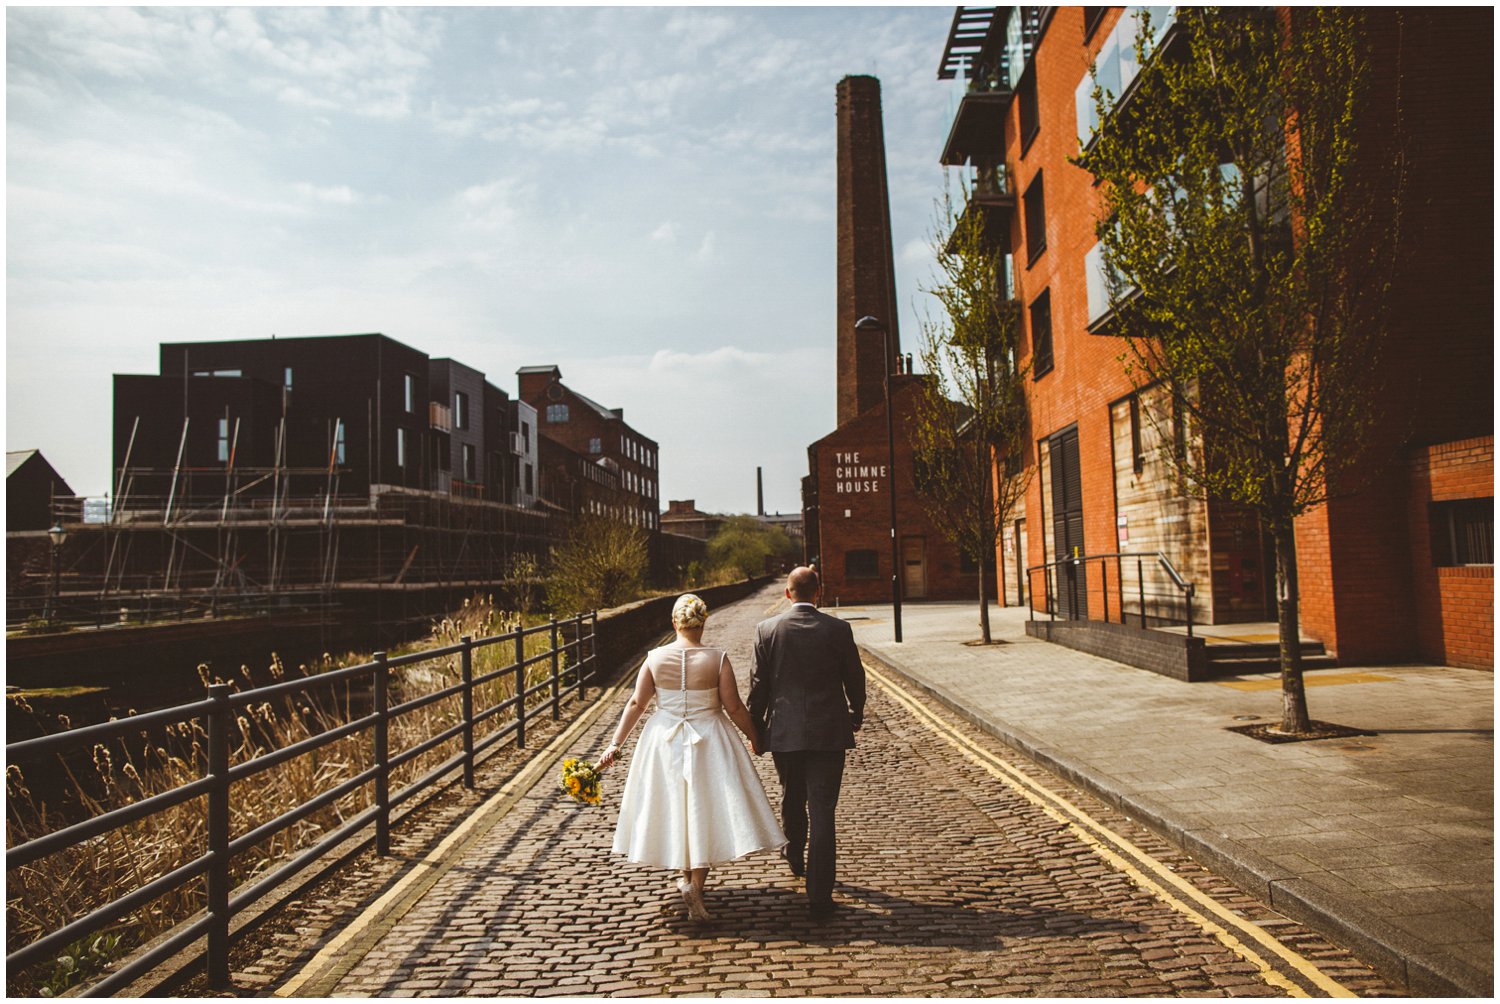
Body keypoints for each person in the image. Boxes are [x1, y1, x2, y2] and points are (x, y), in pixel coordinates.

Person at [598, 593, 785, 922]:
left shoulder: (655, 658)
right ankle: (694, 885)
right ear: (704, 621)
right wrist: (755, 736)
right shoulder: (717, 658)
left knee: (679, 808)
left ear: (675, 623)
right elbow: (734, 707)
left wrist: (615, 743)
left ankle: (688, 881)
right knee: (704, 808)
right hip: (709, 739)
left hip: (663, 741)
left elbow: (636, 705)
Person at [748, 566, 866, 920]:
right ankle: (820, 895)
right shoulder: (838, 629)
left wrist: (757, 730)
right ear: (819, 592)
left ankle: (795, 852)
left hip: (785, 732)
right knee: (823, 811)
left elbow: (758, 687)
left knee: (791, 795)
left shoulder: (767, 630)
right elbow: (854, 678)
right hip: (829, 731)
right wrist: (855, 713)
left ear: (788, 594)